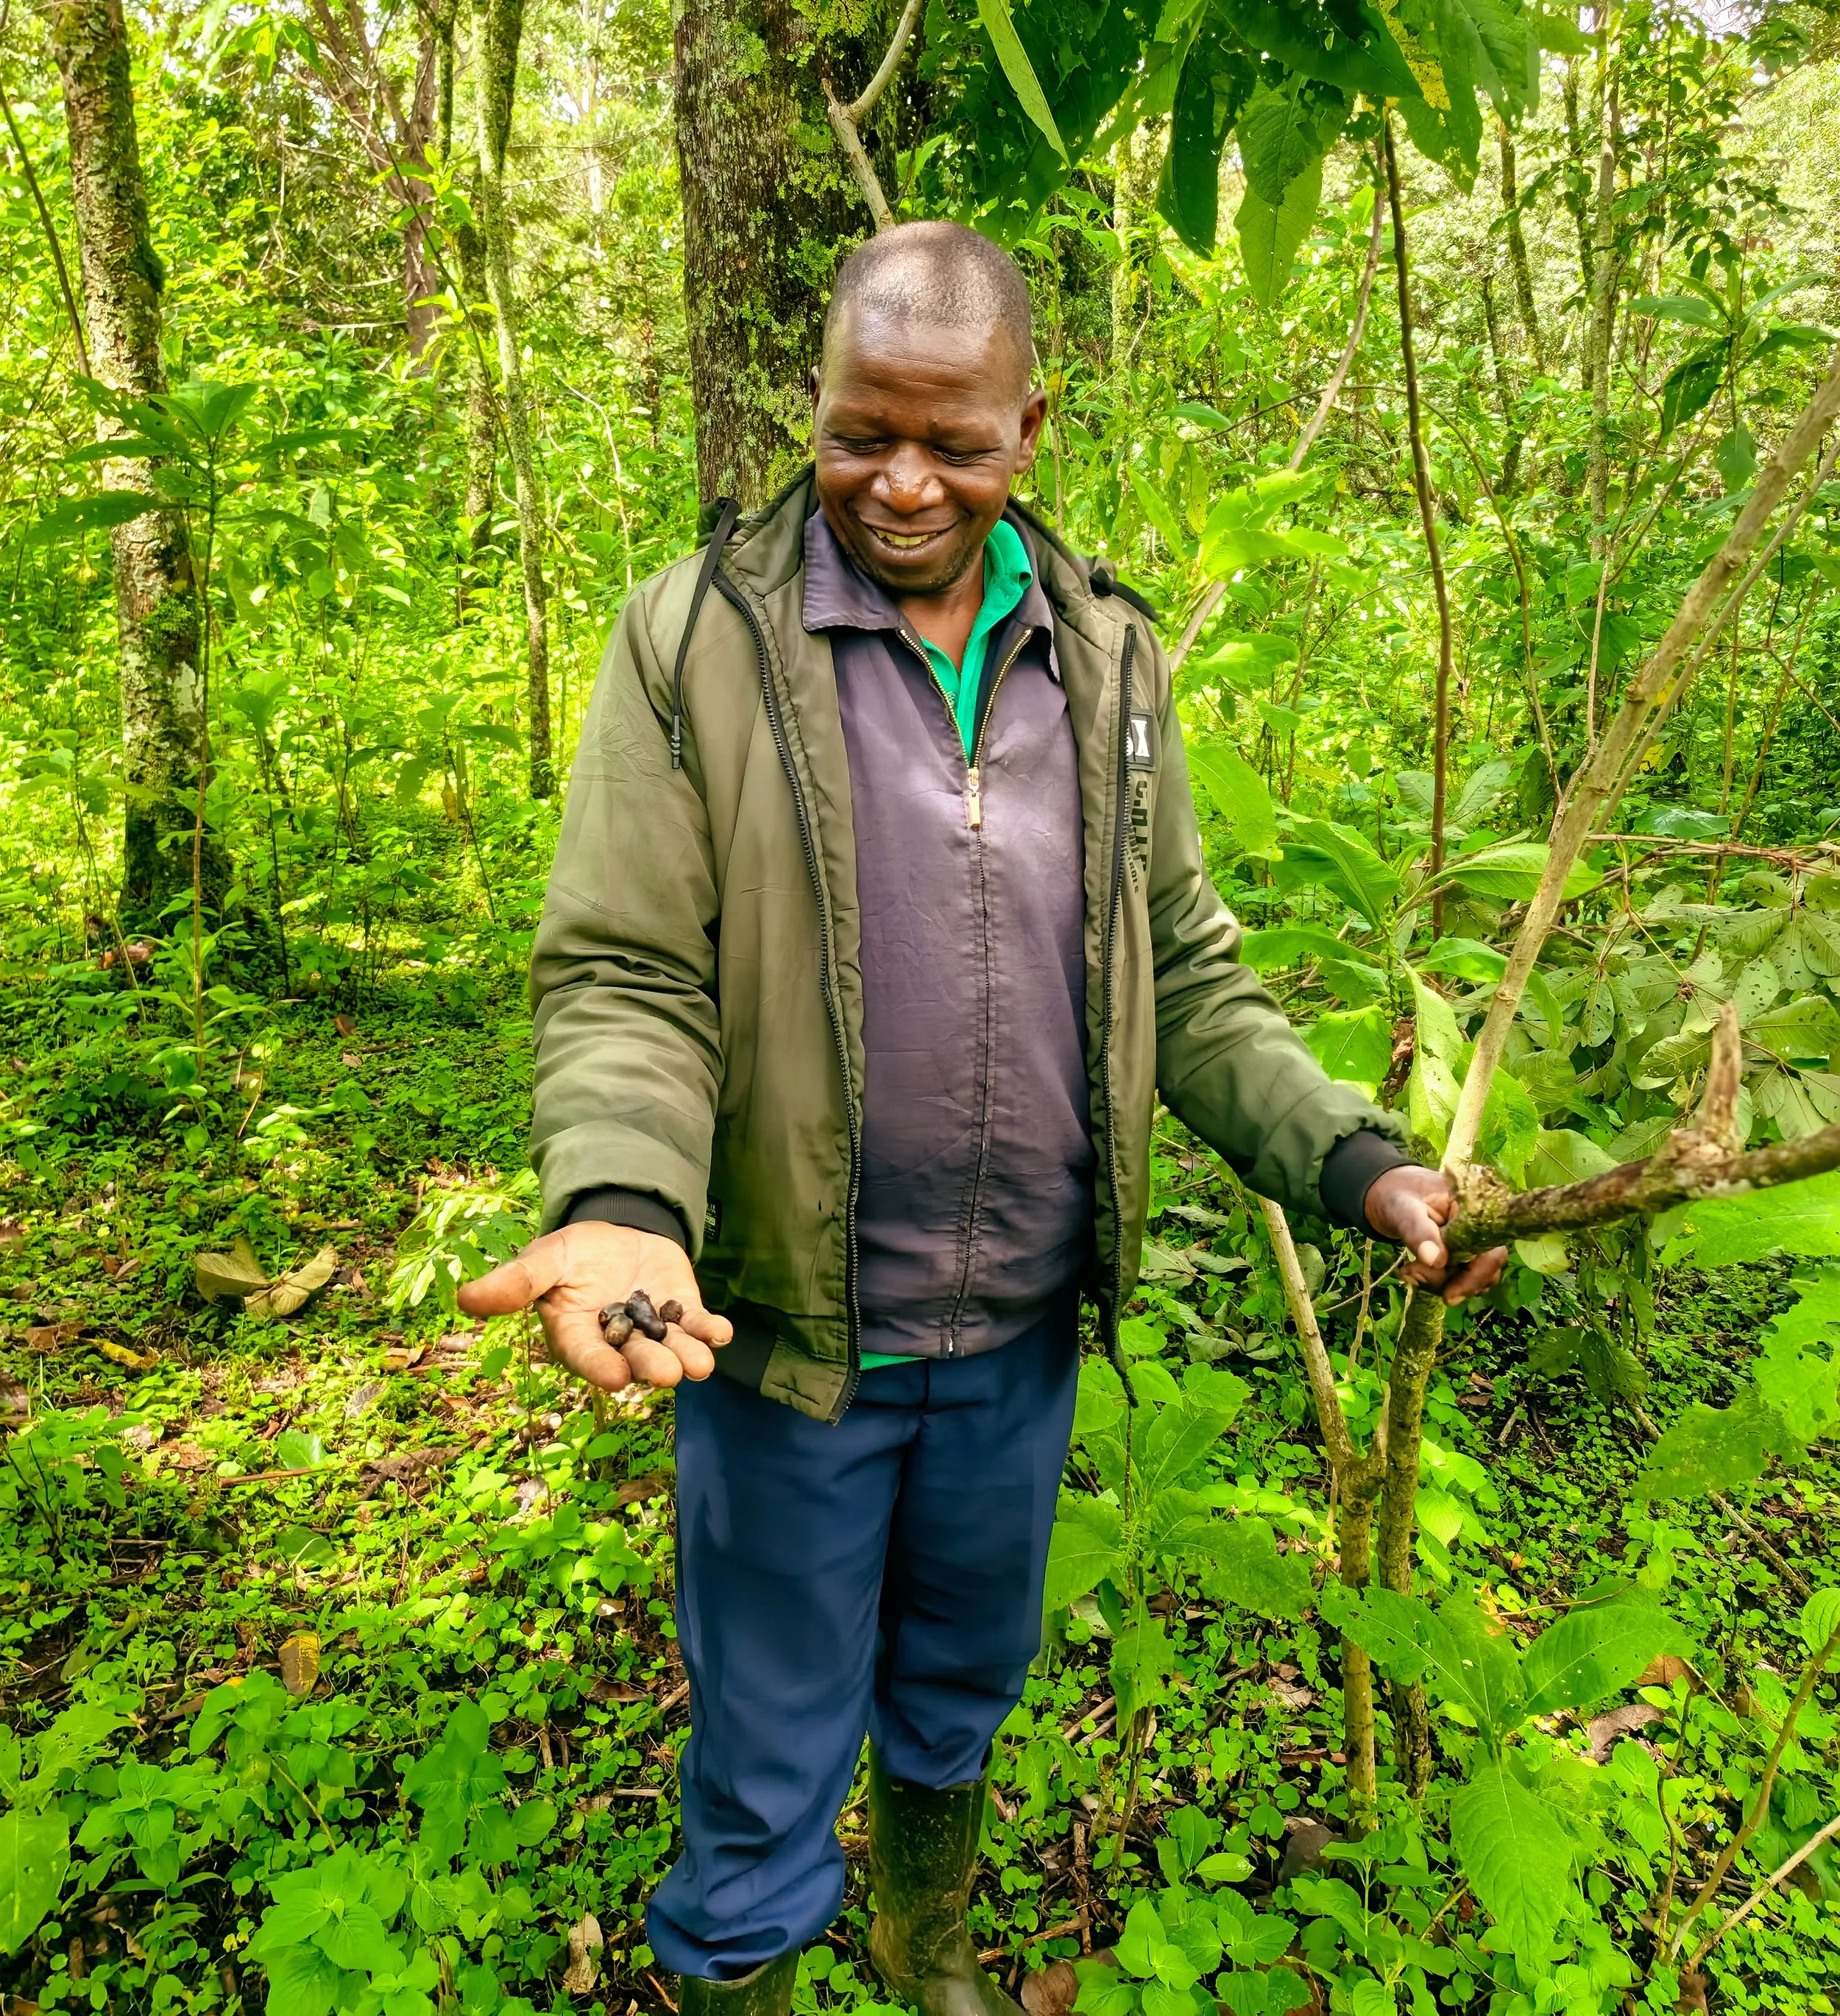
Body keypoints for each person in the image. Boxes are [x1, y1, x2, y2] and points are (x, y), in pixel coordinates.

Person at [459, 222, 1506, 2016]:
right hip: (792, 1339)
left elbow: (1178, 968)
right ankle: (746, 1963)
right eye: (863, 429)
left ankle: (922, 1935)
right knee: (772, 1747)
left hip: (1016, 1330)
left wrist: (1354, 1160)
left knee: (957, 1684)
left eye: (955, 440)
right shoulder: (696, 637)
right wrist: (626, 1196)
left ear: (1034, 422)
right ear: (813, 404)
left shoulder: (1100, 656)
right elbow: (630, 969)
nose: (902, 482)